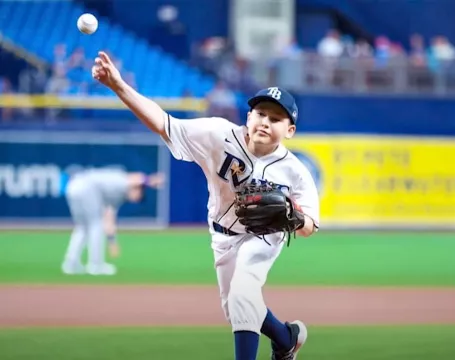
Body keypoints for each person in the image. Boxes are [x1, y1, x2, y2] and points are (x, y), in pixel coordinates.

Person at [92, 51, 319, 359]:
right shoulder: (217, 134)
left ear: (289, 130)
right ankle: (285, 339)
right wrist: (119, 87)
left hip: (263, 237)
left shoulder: (295, 171)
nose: (265, 122)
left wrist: (293, 217)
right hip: (222, 235)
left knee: (242, 295)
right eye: (260, 113)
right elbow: (163, 123)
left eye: (276, 119)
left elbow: (310, 227)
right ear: (248, 116)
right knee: (236, 307)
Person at [61, 168, 164, 276]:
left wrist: (112, 241)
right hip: (85, 187)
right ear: (137, 189)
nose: (136, 198)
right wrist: (150, 181)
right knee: (95, 225)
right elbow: (135, 178)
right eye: (139, 194)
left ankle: (71, 263)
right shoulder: (122, 181)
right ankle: (95, 265)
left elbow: (109, 218)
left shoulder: (119, 198)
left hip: (73, 187)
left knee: (83, 227)